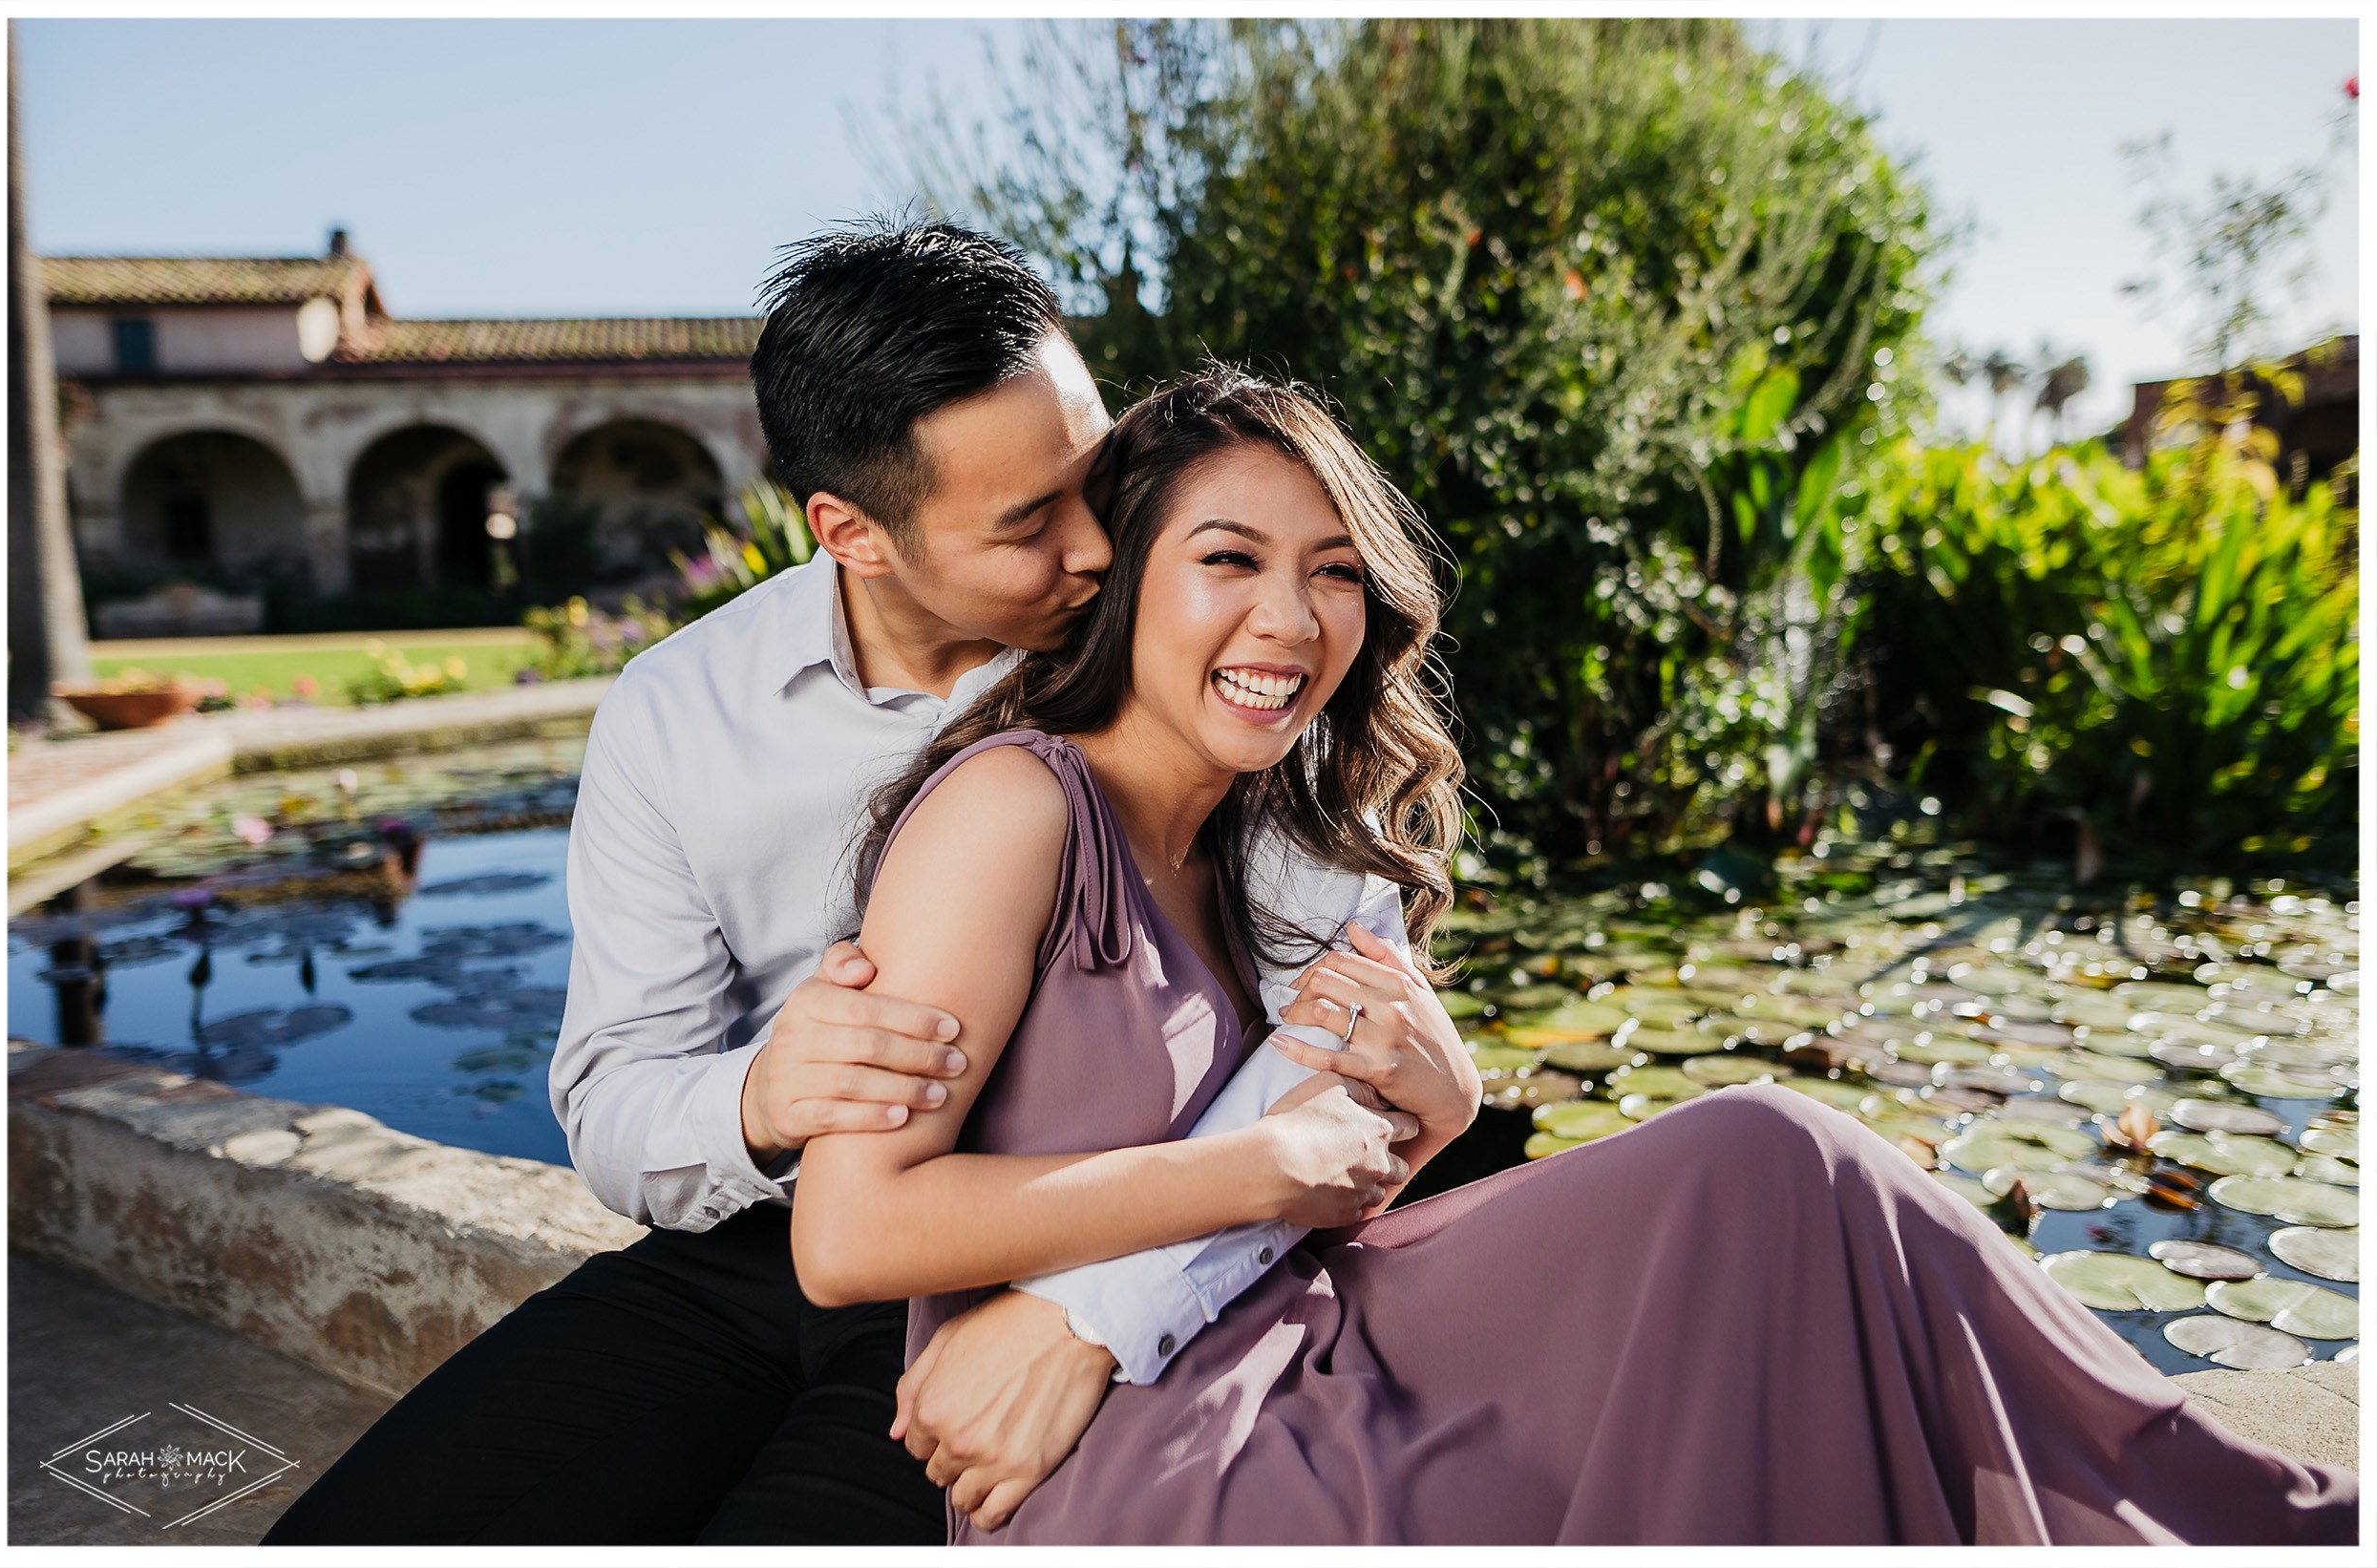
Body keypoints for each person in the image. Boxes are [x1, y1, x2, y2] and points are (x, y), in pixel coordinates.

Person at [795, 365, 2362, 1546]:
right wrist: (1245, 1184)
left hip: (1269, 1328)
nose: (1291, 617)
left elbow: (1332, 1173)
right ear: (1122, 574)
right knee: (1742, 1253)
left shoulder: (1254, 844)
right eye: (1229, 559)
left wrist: (1405, 1113)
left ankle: (2252, 1511)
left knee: (1771, 1160)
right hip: (1132, 1453)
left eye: (1333, 568)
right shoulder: (1013, 807)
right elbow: (846, 1239)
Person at [261, 222, 1457, 1545]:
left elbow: (1323, 1045)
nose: (1100, 544)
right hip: (747, 1256)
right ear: (854, 531)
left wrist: (1089, 1314)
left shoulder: (1185, 672)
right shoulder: (680, 710)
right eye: (1028, 523)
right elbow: (607, 1096)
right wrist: (762, 1095)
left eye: (1096, 475)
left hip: (1042, 1245)